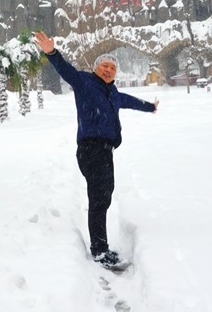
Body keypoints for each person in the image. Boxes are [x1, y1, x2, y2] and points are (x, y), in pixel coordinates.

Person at [34, 30, 158, 268]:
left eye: (112, 68)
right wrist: (52, 52)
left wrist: (150, 107)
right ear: (96, 68)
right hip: (91, 148)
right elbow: (65, 70)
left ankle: (100, 245)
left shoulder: (113, 93)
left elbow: (130, 101)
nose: (108, 70)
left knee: (104, 195)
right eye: (104, 66)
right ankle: (100, 251)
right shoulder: (84, 82)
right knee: (100, 198)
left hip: (105, 150)